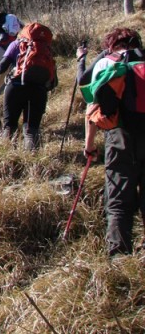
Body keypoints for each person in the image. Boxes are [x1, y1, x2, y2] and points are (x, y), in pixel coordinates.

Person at [77, 27, 145, 257]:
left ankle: (118, 257)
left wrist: (89, 145)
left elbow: (92, 109)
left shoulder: (108, 63)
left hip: (120, 136)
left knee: (118, 199)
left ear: (111, 45)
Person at [0, 22, 57, 150]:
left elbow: (1, 68)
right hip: (39, 90)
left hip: (16, 87)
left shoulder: (16, 44)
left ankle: (7, 160)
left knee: (9, 127)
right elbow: (53, 81)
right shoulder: (47, 48)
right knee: (31, 131)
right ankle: (31, 161)